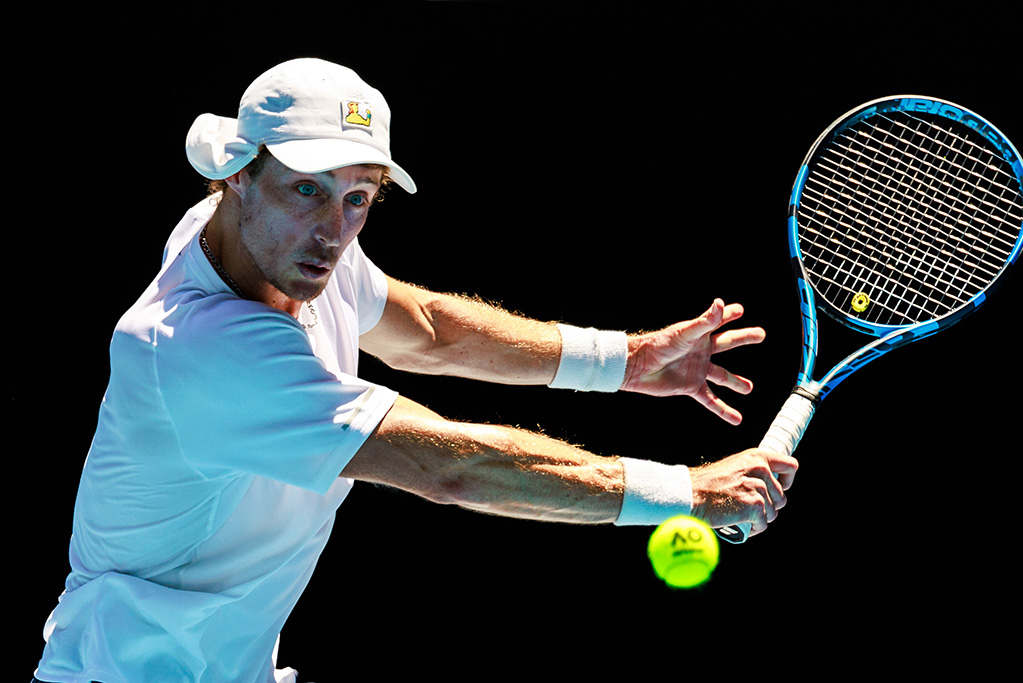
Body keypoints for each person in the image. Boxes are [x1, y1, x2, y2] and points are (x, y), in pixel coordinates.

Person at [33, 58, 797, 683]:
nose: (335, 233)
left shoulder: (270, 240)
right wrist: (687, 492)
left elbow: (425, 329)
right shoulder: (203, 347)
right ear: (237, 174)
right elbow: (447, 467)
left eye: (358, 198)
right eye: (308, 189)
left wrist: (621, 360)